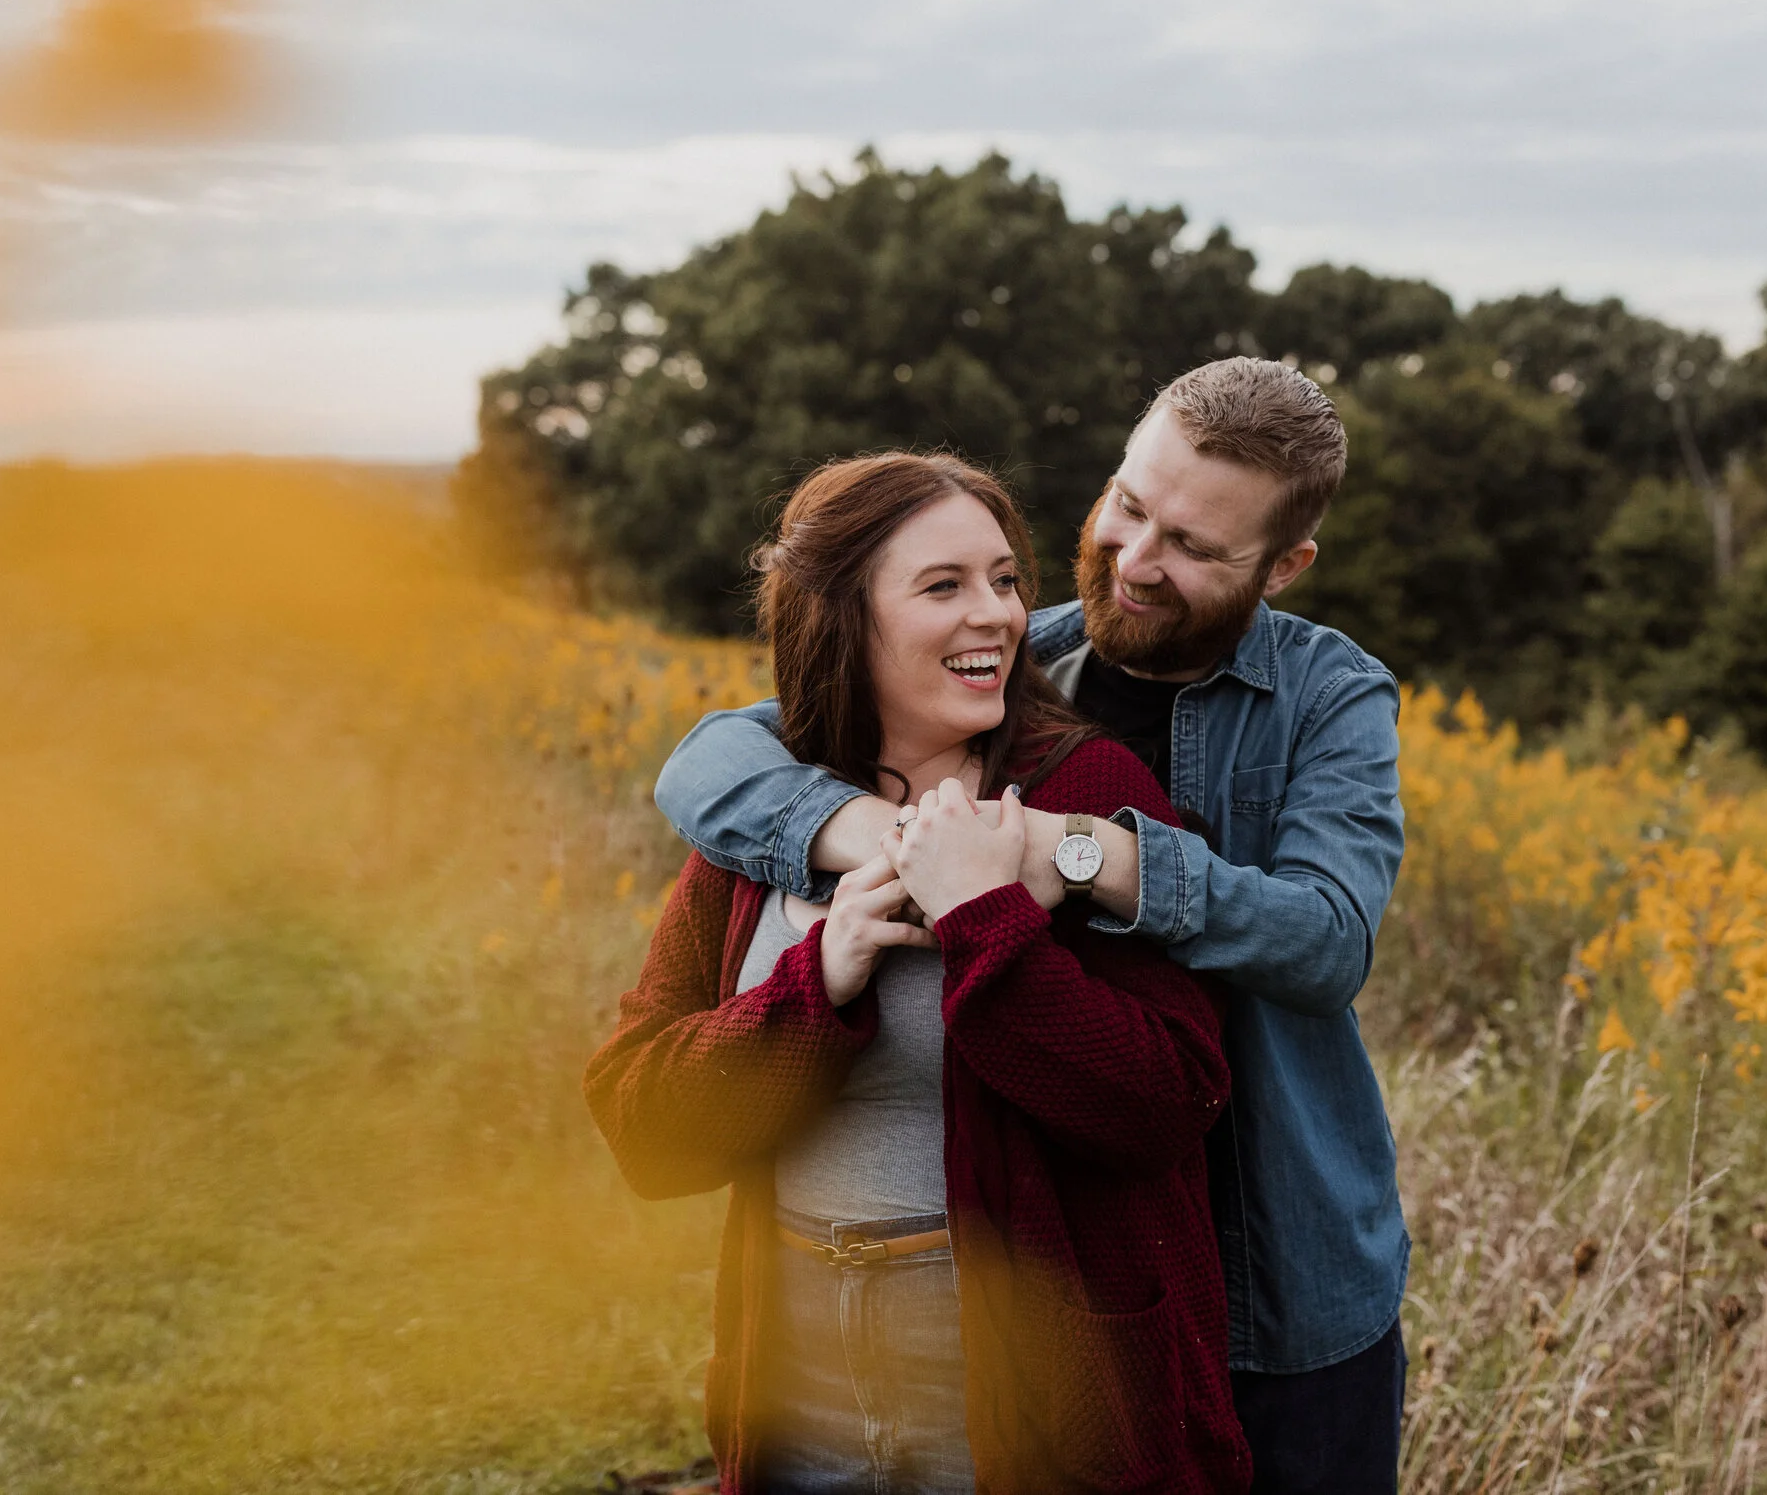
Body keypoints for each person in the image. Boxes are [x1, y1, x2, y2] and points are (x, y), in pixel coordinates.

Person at [655, 359, 1411, 1494]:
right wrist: (880, 835)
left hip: (1274, 1268)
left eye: (1193, 547)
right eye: (1128, 503)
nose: (1134, 558)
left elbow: (1327, 939)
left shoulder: (1330, 696)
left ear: (1284, 566)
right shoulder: (1014, 647)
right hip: (1072, 1257)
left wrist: (1078, 853)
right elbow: (715, 758)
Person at [586, 451, 1249, 1495]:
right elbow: (644, 1126)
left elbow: (1171, 1096)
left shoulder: (1082, 791)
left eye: (1003, 578)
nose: (993, 614)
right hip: (798, 1410)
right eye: (943, 586)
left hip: (1033, 1418)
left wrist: (986, 919)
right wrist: (818, 980)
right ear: (841, 616)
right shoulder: (767, 815)